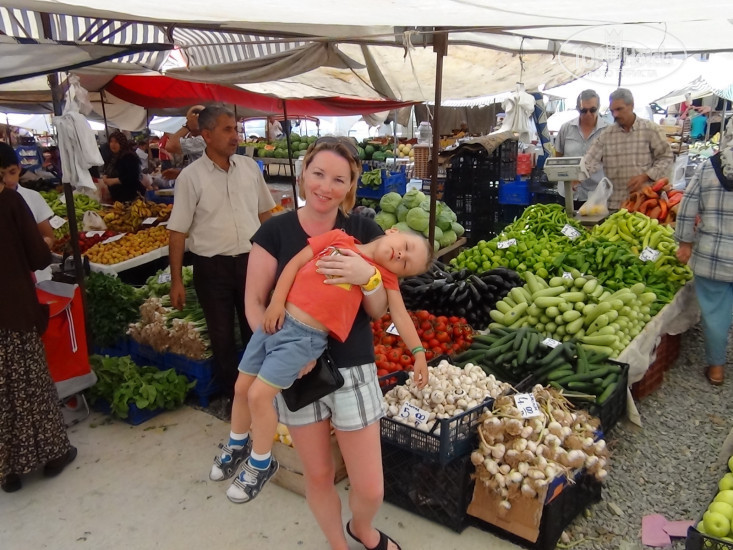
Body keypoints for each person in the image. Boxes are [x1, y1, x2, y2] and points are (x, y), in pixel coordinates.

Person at [214, 136, 404, 550]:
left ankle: (363, 529)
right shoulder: (275, 231)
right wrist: (283, 351)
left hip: (352, 366)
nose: (325, 187)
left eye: (338, 179)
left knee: (370, 486)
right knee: (318, 476)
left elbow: (377, 310)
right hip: (295, 373)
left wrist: (368, 278)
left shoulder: (364, 231)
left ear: (350, 185)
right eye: (318, 174)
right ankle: (338, 544)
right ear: (303, 173)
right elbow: (254, 303)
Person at [218, 226, 432, 504]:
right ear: (393, 231)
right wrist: (276, 302)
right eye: (406, 246)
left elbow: (399, 316)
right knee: (242, 387)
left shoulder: (382, 277)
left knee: (259, 395)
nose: (401, 255)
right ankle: (236, 444)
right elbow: (295, 263)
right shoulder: (338, 237)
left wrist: (418, 353)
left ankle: (260, 463)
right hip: (278, 321)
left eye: (405, 265)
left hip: (304, 339)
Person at [167, 105, 276, 408]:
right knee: (222, 336)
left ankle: (263, 392)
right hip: (211, 267)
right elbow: (177, 232)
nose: (235, 136)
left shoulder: (250, 168)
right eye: (227, 129)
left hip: (251, 262)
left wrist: (278, 257)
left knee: (257, 329)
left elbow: (265, 214)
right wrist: (176, 280)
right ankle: (235, 397)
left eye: (235, 129)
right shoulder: (190, 178)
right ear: (206, 134)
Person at [0, 153, 77, 494]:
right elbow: (38, 256)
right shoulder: (10, 202)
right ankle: (52, 455)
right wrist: (45, 244)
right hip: (13, 310)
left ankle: (9, 471)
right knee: (29, 384)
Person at [675, 120, 733, 386]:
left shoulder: (709, 166)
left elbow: (687, 207)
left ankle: (717, 368)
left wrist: (685, 243)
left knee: (715, 315)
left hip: (712, 257)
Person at [582, 88, 673, 210]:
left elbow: (666, 158)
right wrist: (576, 176)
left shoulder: (651, 130)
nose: (615, 115)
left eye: (619, 109)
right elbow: (590, 160)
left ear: (631, 106)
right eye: (612, 111)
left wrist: (646, 176)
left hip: (644, 204)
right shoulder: (607, 134)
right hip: (615, 205)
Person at [555, 89, 608, 205]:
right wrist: (566, 175)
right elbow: (558, 157)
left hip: (595, 194)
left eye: (592, 110)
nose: (588, 114)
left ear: (598, 108)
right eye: (583, 110)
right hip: (567, 193)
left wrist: (581, 175)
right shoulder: (566, 128)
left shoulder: (608, 131)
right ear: (577, 109)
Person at [0, 143, 54, 249]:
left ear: (19, 169)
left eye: (12, 172)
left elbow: (49, 237)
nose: (8, 180)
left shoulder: (33, 197)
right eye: (1, 175)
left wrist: (44, 244)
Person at [162, 104, 206, 180]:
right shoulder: (204, 139)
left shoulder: (202, 140)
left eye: (188, 120)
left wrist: (188, 126)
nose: (186, 122)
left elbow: (170, 146)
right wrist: (180, 173)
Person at [101, 131, 144, 203]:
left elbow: (133, 177)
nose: (113, 144)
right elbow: (107, 169)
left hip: (130, 197)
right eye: (111, 141)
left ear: (122, 143)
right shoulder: (112, 157)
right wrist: (105, 176)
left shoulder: (129, 157)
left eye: (116, 142)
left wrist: (113, 181)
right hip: (117, 197)